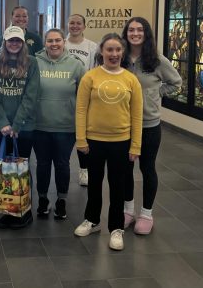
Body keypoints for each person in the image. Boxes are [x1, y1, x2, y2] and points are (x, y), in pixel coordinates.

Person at [73, 33, 142, 251]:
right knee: (94, 184)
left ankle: (116, 228)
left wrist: (136, 145)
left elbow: (137, 115)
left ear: (122, 52)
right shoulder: (90, 77)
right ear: (101, 52)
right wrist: (81, 139)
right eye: (109, 50)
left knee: (118, 186)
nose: (113, 54)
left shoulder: (131, 80)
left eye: (117, 50)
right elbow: (81, 109)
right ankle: (92, 220)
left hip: (121, 142)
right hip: (94, 141)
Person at [121, 17, 181, 235]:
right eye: (131, 30)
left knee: (147, 168)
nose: (135, 33)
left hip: (149, 125)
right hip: (123, 124)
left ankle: (146, 214)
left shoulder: (156, 60)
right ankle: (128, 211)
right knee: (125, 170)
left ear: (146, 33)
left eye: (139, 29)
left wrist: (155, 94)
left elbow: (176, 83)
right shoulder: (120, 58)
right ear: (126, 33)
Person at [0, 25, 40, 229]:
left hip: (24, 127)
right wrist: (3, 122)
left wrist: (16, 124)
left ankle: (24, 212)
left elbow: (31, 96)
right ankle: (9, 208)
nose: (14, 44)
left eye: (18, 40)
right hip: (0, 128)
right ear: (5, 42)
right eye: (11, 40)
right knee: (4, 170)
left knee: (22, 170)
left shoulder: (32, 63)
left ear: (23, 42)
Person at [33, 29, 85, 220]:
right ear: (44, 43)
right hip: (40, 125)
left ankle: (62, 200)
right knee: (43, 165)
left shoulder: (76, 65)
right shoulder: (34, 62)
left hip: (66, 126)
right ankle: (43, 200)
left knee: (62, 165)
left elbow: (85, 94)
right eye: (49, 41)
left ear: (64, 42)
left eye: (57, 40)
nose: (53, 44)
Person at [64, 13, 98, 187]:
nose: (75, 26)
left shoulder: (92, 46)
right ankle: (64, 167)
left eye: (78, 23)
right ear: (67, 25)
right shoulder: (61, 43)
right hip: (64, 95)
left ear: (84, 26)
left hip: (84, 95)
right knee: (67, 133)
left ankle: (84, 169)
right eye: (72, 23)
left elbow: (94, 70)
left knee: (83, 134)